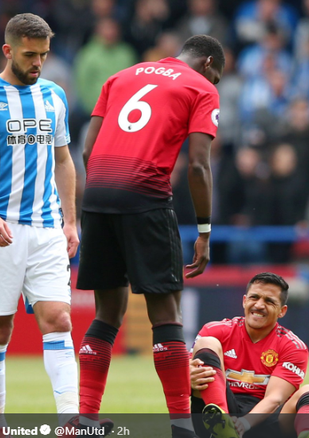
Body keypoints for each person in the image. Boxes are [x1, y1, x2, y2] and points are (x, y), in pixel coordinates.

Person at [75, 35, 225, 438]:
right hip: (145, 196)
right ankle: (181, 426)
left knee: (106, 314)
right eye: (217, 75)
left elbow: (87, 153)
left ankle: (85, 419)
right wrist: (205, 232)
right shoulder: (201, 87)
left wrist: (104, 197)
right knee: (166, 315)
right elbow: (197, 166)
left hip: (97, 196)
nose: (216, 84)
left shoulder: (120, 76)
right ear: (208, 62)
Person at [0, 13, 80, 429]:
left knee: (59, 318)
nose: (38, 62)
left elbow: (64, 161)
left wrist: (71, 221)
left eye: (43, 54)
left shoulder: (55, 96)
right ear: (8, 51)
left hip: (47, 228)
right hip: (0, 229)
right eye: (30, 55)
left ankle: (70, 421)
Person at [189, 272, 309, 438]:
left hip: (263, 419)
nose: (259, 305)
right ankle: (224, 426)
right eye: (254, 297)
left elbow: (275, 398)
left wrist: (243, 424)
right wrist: (189, 378)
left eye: (269, 301)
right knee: (207, 343)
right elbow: (183, 379)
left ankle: (308, 434)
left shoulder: (293, 346)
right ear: (244, 301)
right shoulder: (214, 331)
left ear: (282, 311)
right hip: (217, 414)